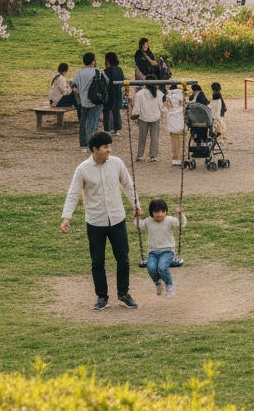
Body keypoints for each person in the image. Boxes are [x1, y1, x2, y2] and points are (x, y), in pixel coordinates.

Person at [61, 131, 141, 311]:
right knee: (97, 262)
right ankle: (102, 296)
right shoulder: (82, 169)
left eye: (110, 146)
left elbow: (129, 185)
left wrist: (136, 204)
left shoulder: (117, 163)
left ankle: (123, 293)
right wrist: (67, 218)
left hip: (117, 220)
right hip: (95, 222)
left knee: (123, 259)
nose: (109, 150)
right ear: (95, 149)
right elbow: (73, 194)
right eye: (106, 147)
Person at [139, 198, 186, 298]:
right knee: (151, 268)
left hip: (167, 251)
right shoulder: (148, 221)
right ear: (151, 213)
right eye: (156, 212)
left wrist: (180, 214)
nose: (159, 215)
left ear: (166, 212)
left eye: (162, 212)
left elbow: (182, 223)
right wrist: (137, 216)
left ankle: (170, 285)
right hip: (153, 251)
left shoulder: (170, 220)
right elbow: (139, 225)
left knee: (162, 267)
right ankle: (158, 282)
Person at [73, 53, 102, 153]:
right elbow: (106, 81)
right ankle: (92, 144)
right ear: (93, 61)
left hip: (83, 100)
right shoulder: (98, 71)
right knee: (93, 122)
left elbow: (74, 86)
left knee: (83, 122)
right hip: (95, 100)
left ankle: (84, 144)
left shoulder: (78, 72)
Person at [131, 81, 163, 162]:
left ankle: (140, 155)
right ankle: (153, 156)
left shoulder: (140, 93)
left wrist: (135, 113)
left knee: (142, 136)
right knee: (154, 137)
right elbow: (162, 106)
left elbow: (137, 106)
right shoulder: (159, 93)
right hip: (155, 117)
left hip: (143, 117)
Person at [102, 52, 125, 135]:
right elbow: (123, 80)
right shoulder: (119, 70)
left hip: (108, 93)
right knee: (116, 111)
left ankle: (107, 129)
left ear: (107, 61)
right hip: (117, 93)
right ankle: (116, 129)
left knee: (107, 111)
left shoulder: (105, 71)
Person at [165, 85, 186, 164]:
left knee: (174, 140)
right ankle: (183, 156)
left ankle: (176, 158)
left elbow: (166, 107)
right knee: (183, 139)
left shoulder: (168, 97)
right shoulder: (181, 95)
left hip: (172, 119)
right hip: (179, 119)